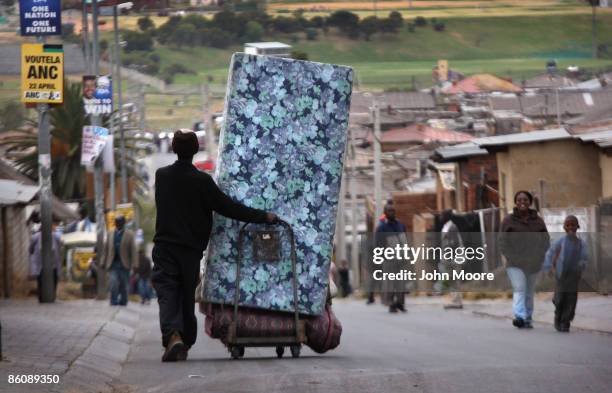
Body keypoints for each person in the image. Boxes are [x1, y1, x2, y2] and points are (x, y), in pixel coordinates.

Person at [152, 129, 279, 362]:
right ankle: (183, 339)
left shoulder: (162, 176)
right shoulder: (202, 182)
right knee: (185, 296)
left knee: (168, 293)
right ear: (196, 150)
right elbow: (230, 208)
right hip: (190, 251)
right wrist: (264, 217)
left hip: (165, 248)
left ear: (173, 149)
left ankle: (174, 337)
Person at [499, 190, 549, 329]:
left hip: (533, 263)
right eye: (519, 200)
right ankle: (519, 317)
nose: (522, 202)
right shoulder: (508, 220)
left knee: (529, 292)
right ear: (515, 202)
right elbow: (502, 242)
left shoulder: (538, 221)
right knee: (520, 288)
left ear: (530, 202)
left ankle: (528, 318)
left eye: (525, 200)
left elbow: (546, 240)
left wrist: (540, 256)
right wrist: (511, 257)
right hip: (515, 263)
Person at [542, 215, 588, 333]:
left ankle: (565, 322)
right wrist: (548, 268)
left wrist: (581, 266)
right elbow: (550, 254)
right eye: (568, 225)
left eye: (573, 225)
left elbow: (584, 258)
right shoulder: (559, 242)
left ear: (578, 226)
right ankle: (558, 316)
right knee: (560, 299)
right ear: (564, 228)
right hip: (560, 275)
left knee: (571, 300)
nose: (571, 227)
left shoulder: (581, 244)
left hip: (573, 276)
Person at [376, 203, 408, 313]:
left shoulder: (401, 225)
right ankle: (390, 303)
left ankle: (400, 303)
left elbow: (405, 240)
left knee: (401, 282)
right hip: (389, 259)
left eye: (393, 210)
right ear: (385, 213)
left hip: (401, 258)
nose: (392, 212)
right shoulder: (382, 228)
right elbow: (378, 245)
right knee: (390, 283)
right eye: (389, 211)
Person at [103, 215, 137, 306]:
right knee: (113, 283)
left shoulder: (129, 234)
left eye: (120, 222)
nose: (118, 224)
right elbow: (106, 249)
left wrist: (135, 265)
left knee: (123, 284)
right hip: (113, 264)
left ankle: (123, 300)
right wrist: (103, 261)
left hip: (124, 264)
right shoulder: (110, 233)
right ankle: (113, 300)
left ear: (123, 223)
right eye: (116, 222)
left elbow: (133, 250)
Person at [30, 218, 63, 302]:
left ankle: (42, 297)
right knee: (52, 280)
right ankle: (50, 296)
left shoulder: (37, 236)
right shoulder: (54, 235)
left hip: (44, 263)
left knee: (41, 281)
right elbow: (61, 245)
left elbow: (30, 249)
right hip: (50, 263)